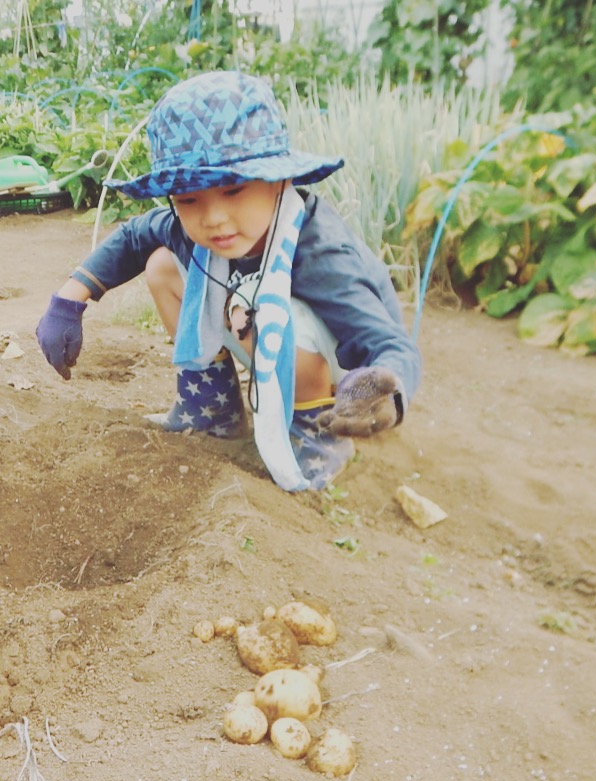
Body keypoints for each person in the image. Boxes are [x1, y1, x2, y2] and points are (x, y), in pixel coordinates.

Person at [35, 70, 421, 493]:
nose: (213, 217)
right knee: (164, 264)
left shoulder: (321, 253)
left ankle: (316, 437)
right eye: (188, 199)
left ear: (279, 181)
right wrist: (69, 300)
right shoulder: (192, 227)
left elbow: (389, 343)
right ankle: (212, 411)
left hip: (341, 370)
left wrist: (381, 391)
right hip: (259, 324)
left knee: (277, 313)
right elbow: (134, 236)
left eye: (234, 190)